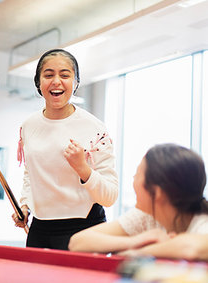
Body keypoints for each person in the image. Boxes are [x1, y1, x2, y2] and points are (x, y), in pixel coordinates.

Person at [12, 48, 118, 250]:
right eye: (48, 75)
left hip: (85, 230)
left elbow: (110, 196)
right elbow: (31, 174)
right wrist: (25, 205)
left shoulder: (95, 128)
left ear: (76, 82)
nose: (56, 81)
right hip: (40, 229)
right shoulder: (28, 126)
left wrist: (83, 169)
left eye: (65, 75)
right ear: (38, 82)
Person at [69, 144, 208, 261]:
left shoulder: (202, 223)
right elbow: (77, 242)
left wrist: (137, 252)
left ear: (157, 192)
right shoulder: (146, 215)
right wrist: (136, 241)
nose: (133, 179)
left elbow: (190, 247)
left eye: (138, 174)